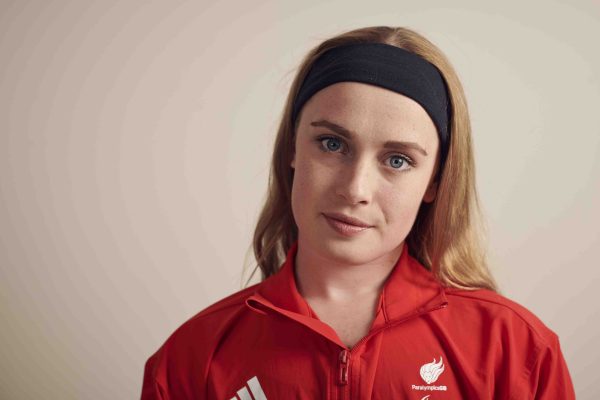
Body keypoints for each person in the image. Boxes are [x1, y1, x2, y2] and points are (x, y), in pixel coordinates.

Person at [140, 26, 576, 399]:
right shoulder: (193, 356)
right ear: (293, 148)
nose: (355, 189)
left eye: (398, 160)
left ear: (435, 183)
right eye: (332, 144)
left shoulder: (514, 349)